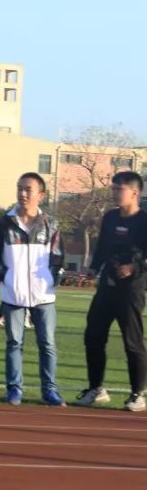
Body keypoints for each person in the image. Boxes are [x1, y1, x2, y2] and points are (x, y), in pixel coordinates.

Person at [0, 172, 65, 407]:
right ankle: (14, 390)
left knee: (48, 344)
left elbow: (58, 256)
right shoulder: (4, 223)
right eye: (19, 188)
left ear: (40, 195)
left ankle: (50, 391)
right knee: (14, 343)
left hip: (43, 295)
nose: (22, 193)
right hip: (13, 293)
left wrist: (51, 278)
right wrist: (1, 274)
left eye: (28, 189)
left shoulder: (50, 224)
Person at [73, 171, 147, 412]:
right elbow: (103, 247)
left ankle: (137, 394)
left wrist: (135, 266)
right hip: (107, 287)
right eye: (113, 189)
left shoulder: (144, 221)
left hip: (132, 291)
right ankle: (96, 389)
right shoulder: (111, 217)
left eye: (119, 189)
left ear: (134, 193)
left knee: (132, 343)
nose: (114, 193)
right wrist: (92, 269)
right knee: (93, 336)